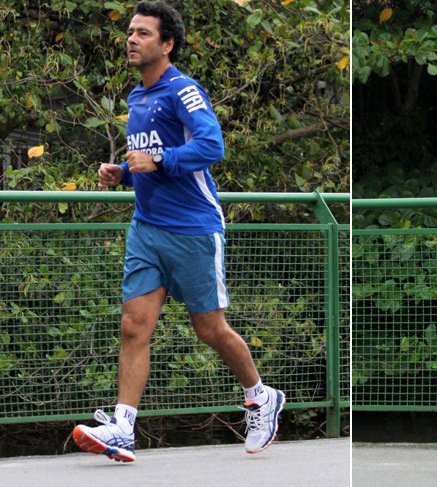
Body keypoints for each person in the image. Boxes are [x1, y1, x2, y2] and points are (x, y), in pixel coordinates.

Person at [72, 1, 284, 462]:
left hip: (193, 230)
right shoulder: (136, 97)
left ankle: (261, 396)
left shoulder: (183, 90)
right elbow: (148, 160)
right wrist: (124, 174)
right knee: (133, 326)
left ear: (166, 44)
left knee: (209, 328)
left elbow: (212, 145)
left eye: (143, 33)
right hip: (146, 228)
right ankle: (123, 428)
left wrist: (161, 159)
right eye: (130, 31)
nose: (132, 39)